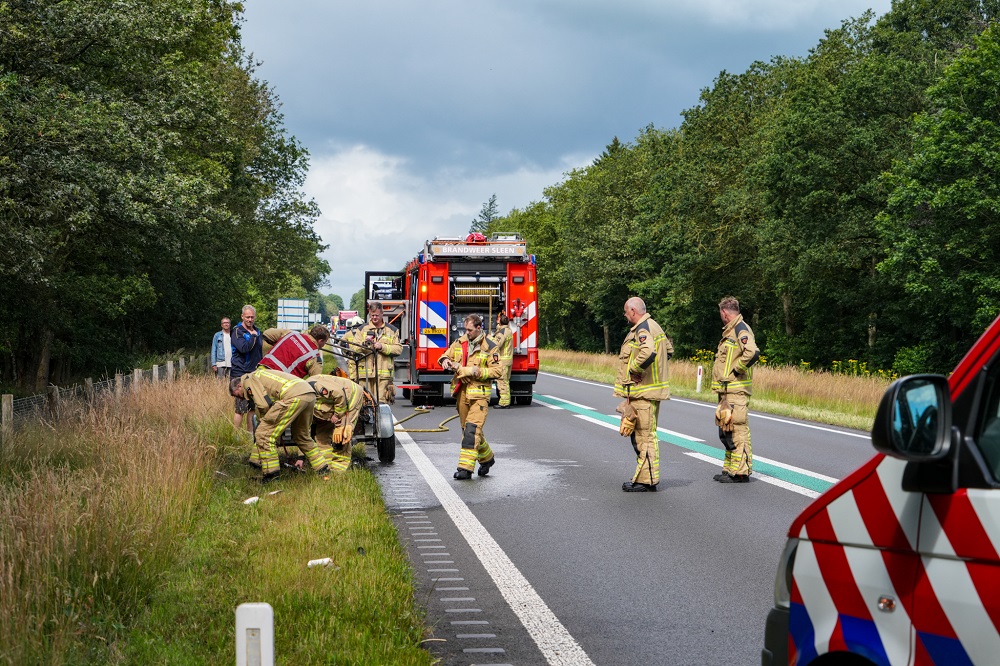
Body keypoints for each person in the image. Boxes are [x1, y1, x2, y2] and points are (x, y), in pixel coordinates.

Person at [230, 367, 333, 482]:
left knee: (263, 434)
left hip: (294, 396)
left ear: (239, 386)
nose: (241, 398)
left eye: (237, 395)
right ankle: (322, 468)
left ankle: (271, 475)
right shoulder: (259, 374)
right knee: (301, 436)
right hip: (308, 394)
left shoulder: (248, 380)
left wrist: (265, 422)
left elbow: (263, 405)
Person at [614, 297, 673, 492]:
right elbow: (668, 352)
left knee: (644, 437)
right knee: (642, 435)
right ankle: (644, 478)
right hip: (649, 391)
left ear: (632, 310)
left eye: (625, 311)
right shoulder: (655, 326)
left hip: (644, 393)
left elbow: (648, 352)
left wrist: (634, 369)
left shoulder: (643, 328)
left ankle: (646, 481)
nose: (624, 315)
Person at [438, 313, 502, 480]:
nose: (466, 333)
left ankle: (465, 469)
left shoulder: (490, 346)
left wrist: (474, 371)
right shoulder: (461, 341)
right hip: (462, 394)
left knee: (471, 431)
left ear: (479, 328)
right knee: (469, 432)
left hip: (479, 396)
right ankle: (487, 459)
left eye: (470, 330)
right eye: (465, 329)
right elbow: (445, 355)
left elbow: (497, 371)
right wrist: (445, 361)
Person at [711, 296, 760, 483]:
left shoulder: (741, 329)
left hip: (736, 389)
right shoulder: (730, 332)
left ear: (724, 313)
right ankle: (730, 469)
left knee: (737, 429)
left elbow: (752, 352)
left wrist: (737, 370)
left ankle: (741, 472)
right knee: (727, 430)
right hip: (727, 391)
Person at [308, 374, 364, 473]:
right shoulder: (303, 400)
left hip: (350, 396)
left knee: (343, 434)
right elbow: (304, 431)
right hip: (331, 408)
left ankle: (338, 471)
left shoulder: (314, 386)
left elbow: (339, 394)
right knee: (321, 437)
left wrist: (338, 416)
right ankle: (327, 468)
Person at [356, 303, 402, 404]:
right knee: (364, 405)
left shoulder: (392, 330)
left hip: (384, 377)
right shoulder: (362, 330)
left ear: (382, 313)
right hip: (365, 376)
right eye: (372, 315)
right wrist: (364, 345)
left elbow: (398, 349)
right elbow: (354, 348)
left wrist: (382, 347)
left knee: (382, 405)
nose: (374, 317)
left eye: (377, 315)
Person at [230, 305, 263, 434]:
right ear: (242, 316)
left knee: (253, 408)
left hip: (254, 374)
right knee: (240, 408)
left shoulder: (258, 331)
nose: (250, 319)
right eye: (247, 317)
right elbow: (244, 348)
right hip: (240, 374)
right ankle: (236, 435)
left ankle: (250, 435)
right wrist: (253, 337)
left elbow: (259, 352)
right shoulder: (237, 332)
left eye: (252, 317)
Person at [258, 325, 330, 378]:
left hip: (260, 372)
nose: (324, 345)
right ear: (320, 341)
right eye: (325, 342)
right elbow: (316, 382)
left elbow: (267, 334)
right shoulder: (315, 357)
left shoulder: (291, 333)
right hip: (277, 383)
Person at [491, 312, 514, 408]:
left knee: (502, 381)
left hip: (503, 361)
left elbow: (496, 345)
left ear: (500, 322)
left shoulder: (502, 332)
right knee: (506, 381)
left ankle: (504, 403)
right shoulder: (508, 330)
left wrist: (489, 339)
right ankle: (506, 401)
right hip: (508, 360)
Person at [341, 316, 367, 380]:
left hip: (352, 358)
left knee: (352, 378)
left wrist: (347, 352)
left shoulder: (348, 334)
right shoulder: (365, 333)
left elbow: (341, 343)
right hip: (363, 358)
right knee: (362, 378)